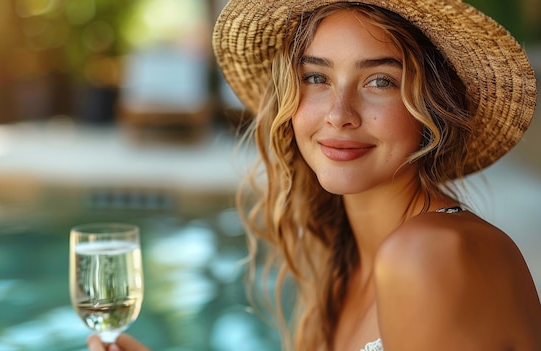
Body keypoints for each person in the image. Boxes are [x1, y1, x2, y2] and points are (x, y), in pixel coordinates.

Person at [88, 0, 541, 350]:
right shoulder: (345, 258)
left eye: (379, 80)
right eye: (316, 78)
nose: (339, 114)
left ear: (432, 107)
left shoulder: (428, 255)